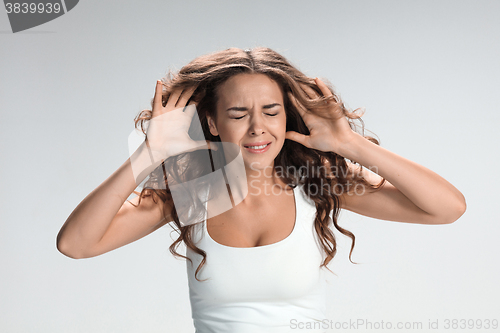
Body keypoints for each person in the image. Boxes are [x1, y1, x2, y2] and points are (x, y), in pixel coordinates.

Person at [56, 47, 466, 332]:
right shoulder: (188, 195)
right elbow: (75, 244)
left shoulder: (317, 186)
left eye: (271, 111)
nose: (258, 128)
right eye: (238, 113)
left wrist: (348, 144)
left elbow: (448, 208)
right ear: (212, 123)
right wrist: (150, 153)